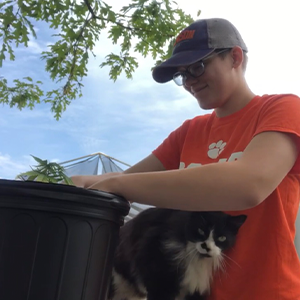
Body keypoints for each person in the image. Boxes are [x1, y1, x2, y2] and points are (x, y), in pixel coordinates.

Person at [72, 18, 300, 299]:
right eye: (182, 74)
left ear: (235, 57)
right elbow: (122, 181)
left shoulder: (283, 109)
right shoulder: (189, 132)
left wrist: (115, 183)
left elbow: (250, 185)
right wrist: (76, 185)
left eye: (197, 67)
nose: (189, 82)